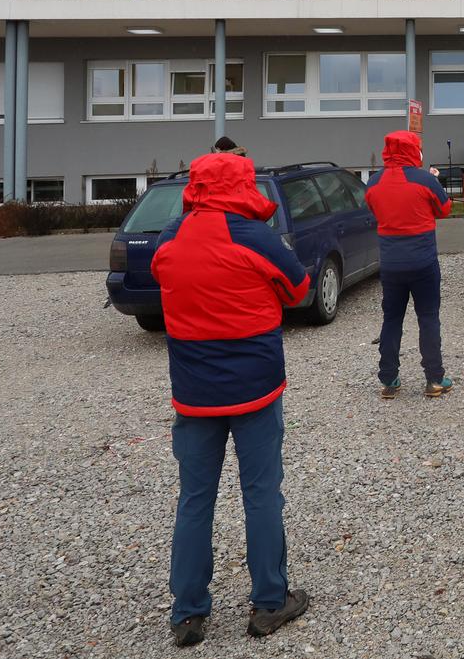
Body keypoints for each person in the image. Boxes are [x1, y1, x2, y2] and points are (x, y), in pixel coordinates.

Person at [151, 153, 311, 647]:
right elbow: (299, 288)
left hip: (194, 392)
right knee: (261, 494)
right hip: (255, 388)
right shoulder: (255, 236)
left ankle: (188, 612)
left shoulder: (170, 238)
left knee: (194, 499)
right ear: (243, 185)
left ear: (195, 186)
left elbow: (162, 277)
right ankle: (269, 601)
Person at [365, 130, 455, 399]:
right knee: (428, 317)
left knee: (392, 319)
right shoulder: (425, 179)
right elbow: (445, 209)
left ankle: (389, 379)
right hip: (423, 261)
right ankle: (434, 378)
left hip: (391, 263)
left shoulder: (373, 182)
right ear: (413, 150)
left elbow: (374, 210)